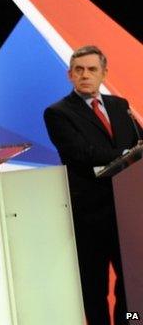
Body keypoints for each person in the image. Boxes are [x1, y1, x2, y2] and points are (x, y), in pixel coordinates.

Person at [44, 45, 140, 325]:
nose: (85, 75)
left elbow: (138, 143)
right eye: (79, 70)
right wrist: (125, 155)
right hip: (89, 214)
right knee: (94, 286)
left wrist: (133, 153)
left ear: (104, 73)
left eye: (92, 69)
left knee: (132, 283)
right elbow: (80, 154)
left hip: (128, 211)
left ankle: (130, 321)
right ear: (70, 75)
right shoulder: (58, 112)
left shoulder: (120, 106)